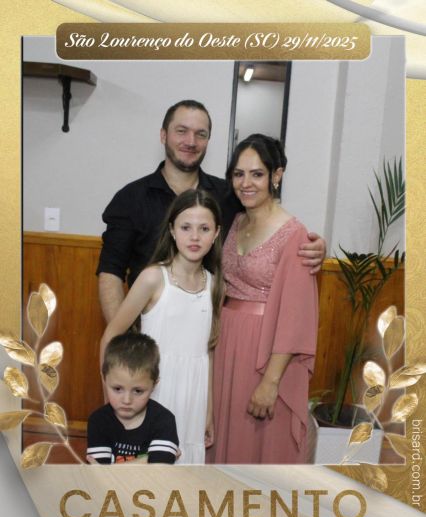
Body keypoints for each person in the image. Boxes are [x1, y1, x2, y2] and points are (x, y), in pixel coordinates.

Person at [97, 99, 325, 323]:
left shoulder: (230, 196)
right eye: (181, 131)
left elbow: (268, 225)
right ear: (163, 135)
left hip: (212, 334)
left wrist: (312, 246)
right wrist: (122, 340)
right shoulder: (131, 198)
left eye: (201, 134)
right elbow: (110, 273)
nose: (191, 141)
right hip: (147, 334)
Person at [208, 134, 318, 464]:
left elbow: (295, 317)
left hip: (268, 352)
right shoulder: (235, 220)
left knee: (259, 444)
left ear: (276, 175)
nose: (246, 183)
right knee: (224, 435)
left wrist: (271, 382)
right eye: (238, 174)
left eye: (257, 174)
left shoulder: (295, 235)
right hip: (227, 344)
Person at [100, 188, 223, 464]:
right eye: (186, 227)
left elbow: (208, 350)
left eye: (204, 228)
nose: (194, 237)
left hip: (193, 395)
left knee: (184, 470)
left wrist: (208, 410)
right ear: (172, 230)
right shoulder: (153, 278)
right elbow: (111, 336)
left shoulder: (215, 285)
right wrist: (111, 398)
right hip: (154, 388)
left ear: (216, 234)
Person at [87, 333, 179, 464]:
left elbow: (159, 469)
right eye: (117, 389)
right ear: (104, 379)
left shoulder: (164, 420)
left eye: (138, 391)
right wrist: (147, 459)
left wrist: (109, 470)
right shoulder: (99, 421)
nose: (127, 400)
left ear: (154, 385)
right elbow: (100, 473)